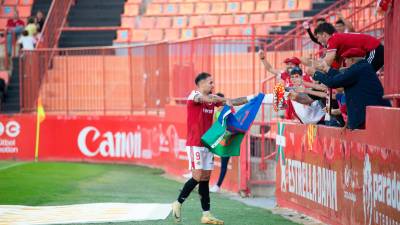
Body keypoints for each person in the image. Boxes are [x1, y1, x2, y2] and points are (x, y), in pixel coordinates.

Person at [172, 72, 251, 224]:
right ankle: (177, 203)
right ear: (201, 84)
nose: (213, 85)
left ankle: (206, 214)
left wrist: (251, 98)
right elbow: (200, 98)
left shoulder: (212, 100)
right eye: (210, 82)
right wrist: (220, 99)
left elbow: (233, 101)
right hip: (195, 144)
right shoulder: (193, 96)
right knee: (197, 176)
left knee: (205, 179)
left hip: (208, 144)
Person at [311, 48, 391, 129]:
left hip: (370, 118)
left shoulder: (358, 69)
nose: (345, 62)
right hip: (374, 116)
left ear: (352, 60)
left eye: (346, 60)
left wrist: (315, 74)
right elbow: (343, 77)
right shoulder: (363, 67)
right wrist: (326, 69)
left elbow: (333, 82)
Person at [314, 22, 384, 72]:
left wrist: (314, 66)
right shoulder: (335, 40)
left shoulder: (333, 39)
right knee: (361, 73)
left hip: (374, 48)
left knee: (364, 73)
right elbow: (335, 68)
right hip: (372, 50)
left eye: (318, 37)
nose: (318, 41)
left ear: (324, 35)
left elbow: (328, 61)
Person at [210, 92, 230, 193]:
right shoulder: (217, 111)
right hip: (218, 138)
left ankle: (218, 186)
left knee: (224, 163)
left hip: (226, 140)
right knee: (207, 155)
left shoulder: (228, 111)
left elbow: (230, 126)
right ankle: (197, 177)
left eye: (219, 100)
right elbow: (215, 125)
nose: (218, 103)